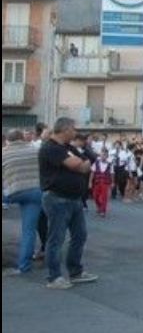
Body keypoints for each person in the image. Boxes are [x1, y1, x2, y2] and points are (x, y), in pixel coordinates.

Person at [39, 117, 99, 289]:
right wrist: (83, 162)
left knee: (80, 235)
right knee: (56, 238)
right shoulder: (51, 148)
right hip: (57, 198)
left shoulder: (68, 147)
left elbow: (89, 160)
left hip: (74, 199)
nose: (75, 132)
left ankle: (75, 271)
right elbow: (78, 166)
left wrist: (84, 159)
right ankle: (54, 277)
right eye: (73, 128)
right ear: (64, 129)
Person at [2, 129, 43, 275]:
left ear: (8, 140)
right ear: (23, 138)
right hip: (35, 192)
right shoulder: (36, 150)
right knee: (29, 230)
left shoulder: (4, 153)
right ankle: (24, 266)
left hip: (12, 191)